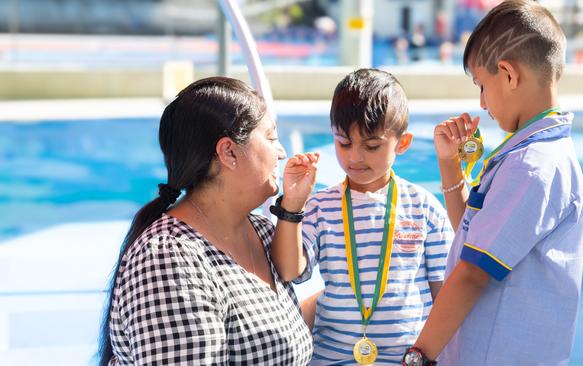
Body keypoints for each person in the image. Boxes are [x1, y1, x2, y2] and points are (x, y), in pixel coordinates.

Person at [402, 1, 583, 365]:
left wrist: (418, 357)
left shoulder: (532, 167)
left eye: (482, 86)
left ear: (508, 74)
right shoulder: (534, 154)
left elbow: (472, 275)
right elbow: (472, 240)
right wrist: (450, 165)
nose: (482, 103)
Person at [97, 76, 318, 365]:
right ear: (228, 152)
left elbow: (268, 334)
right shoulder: (169, 260)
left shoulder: (261, 233)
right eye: (271, 137)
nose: (282, 152)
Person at [271, 68, 454, 365]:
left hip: (407, 360)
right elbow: (291, 272)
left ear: (403, 143)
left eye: (371, 146)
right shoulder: (319, 207)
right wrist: (292, 204)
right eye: (344, 143)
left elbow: (445, 295)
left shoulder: (424, 208)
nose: (355, 157)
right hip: (333, 358)